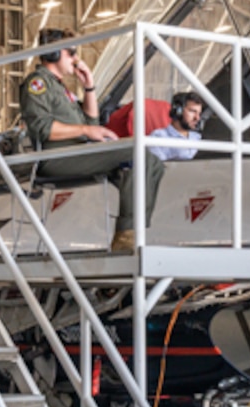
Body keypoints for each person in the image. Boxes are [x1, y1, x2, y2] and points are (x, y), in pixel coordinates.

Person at [18, 28, 166, 252]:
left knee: (153, 164)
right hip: (57, 156)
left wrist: (89, 87)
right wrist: (86, 130)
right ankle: (126, 240)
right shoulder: (38, 84)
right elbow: (42, 128)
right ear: (54, 54)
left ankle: (134, 233)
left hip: (78, 153)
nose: (76, 59)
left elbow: (91, 121)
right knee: (137, 153)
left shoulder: (61, 88)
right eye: (72, 53)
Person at [147, 91, 204, 162]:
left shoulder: (198, 138)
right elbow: (160, 169)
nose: (197, 118)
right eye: (192, 111)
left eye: (199, 113)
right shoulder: (158, 137)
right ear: (178, 111)